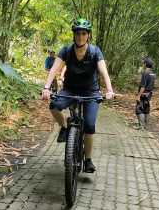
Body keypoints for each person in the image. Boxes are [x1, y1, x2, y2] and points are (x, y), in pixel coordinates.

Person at [41, 18, 114, 173]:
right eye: (77, 33)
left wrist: (109, 90)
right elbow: (54, 69)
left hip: (91, 92)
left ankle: (88, 160)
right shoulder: (66, 50)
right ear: (73, 35)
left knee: (89, 125)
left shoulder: (95, 52)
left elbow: (103, 72)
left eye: (84, 33)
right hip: (70, 90)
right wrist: (46, 87)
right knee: (54, 106)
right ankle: (65, 127)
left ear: (88, 35)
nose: (80, 36)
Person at [135, 57, 156, 128]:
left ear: (145, 64)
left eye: (143, 63)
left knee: (139, 109)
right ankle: (146, 126)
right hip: (149, 94)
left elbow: (143, 86)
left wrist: (138, 95)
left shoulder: (145, 73)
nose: (143, 64)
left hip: (143, 94)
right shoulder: (153, 74)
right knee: (146, 109)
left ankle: (141, 126)